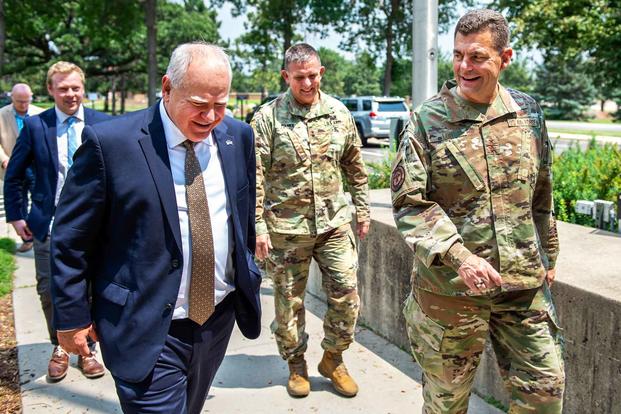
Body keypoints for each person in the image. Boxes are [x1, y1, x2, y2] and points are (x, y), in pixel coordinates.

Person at [50, 43, 261, 413]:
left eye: (221, 103)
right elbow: (70, 239)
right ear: (167, 87)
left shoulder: (237, 137)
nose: (211, 116)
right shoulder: (112, 144)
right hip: (144, 325)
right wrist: (71, 316)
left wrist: (247, 270)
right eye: (198, 103)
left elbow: (241, 214)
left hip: (216, 319)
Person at [391, 9, 565, 413]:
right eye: (457, 55)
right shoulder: (428, 119)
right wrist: (460, 257)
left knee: (545, 394)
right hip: (451, 292)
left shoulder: (528, 113)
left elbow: (542, 192)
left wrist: (549, 254)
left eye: (477, 57)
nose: (464, 67)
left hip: (522, 286)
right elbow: (409, 204)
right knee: (446, 404)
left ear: (505, 57)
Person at [252, 43, 370, 398]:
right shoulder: (267, 118)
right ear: (286, 76)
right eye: (299, 77)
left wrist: (363, 210)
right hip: (287, 230)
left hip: (333, 224)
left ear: (322, 73)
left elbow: (355, 165)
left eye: (313, 75)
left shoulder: (338, 112)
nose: (307, 83)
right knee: (289, 304)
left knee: (348, 295)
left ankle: (333, 358)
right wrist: (258, 226)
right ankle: (296, 364)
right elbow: (255, 176)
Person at [3, 62, 110, 381]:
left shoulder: (103, 124)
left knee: (92, 288)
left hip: (95, 226)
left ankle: (87, 348)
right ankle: (60, 346)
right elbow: (15, 175)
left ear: (83, 88)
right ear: (50, 90)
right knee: (49, 289)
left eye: (76, 87)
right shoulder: (36, 126)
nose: (70, 94)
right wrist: (17, 215)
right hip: (48, 225)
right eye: (63, 88)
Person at [0, 83, 44, 252]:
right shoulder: (2, 115)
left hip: (35, 166)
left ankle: (40, 233)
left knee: (40, 200)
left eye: (26, 101)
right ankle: (27, 237)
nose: (23, 105)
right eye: (19, 101)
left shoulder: (40, 113)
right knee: (19, 203)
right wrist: (4, 159)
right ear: (12, 98)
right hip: (13, 166)